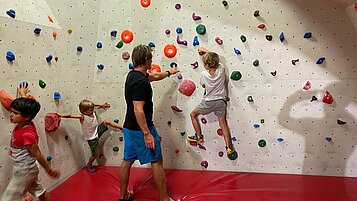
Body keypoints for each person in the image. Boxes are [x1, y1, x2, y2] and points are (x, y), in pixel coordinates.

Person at [119, 44, 178, 201]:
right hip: (141, 130)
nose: (152, 61)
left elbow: (154, 76)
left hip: (129, 127)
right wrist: (147, 134)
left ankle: (123, 197)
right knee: (156, 161)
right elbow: (138, 109)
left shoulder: (133, 75)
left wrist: (168, 73)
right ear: (145, 60)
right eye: (150, 58)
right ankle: (164, 198)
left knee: (127, 161)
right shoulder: (140, 82)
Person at [2, 85, 60, 201]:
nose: (11, 115)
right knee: (40, 191)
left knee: (7, 199)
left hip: (24, 170)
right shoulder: (27, 121)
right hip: (29, 168)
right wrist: (23, 94)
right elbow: (26, 110)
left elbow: (37, 154)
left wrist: (49, 169)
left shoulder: (26, 135)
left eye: (15, 113)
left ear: (27, 117)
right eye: (11, 111)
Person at [186, 47, 237, 159]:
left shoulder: (204, 74)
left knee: (192, 115)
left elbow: (203, 85)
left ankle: (198, 136)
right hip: (220, 101)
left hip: (208, 102)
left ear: (207, 65)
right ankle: (229, 147)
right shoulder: (221, 69)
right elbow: (216, 59)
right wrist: (207, 51)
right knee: (223, 123)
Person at [57, 99, 122, 173]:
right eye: (91, 110)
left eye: (93, 108)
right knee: (95, 154)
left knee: (106, 121)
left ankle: (122, 128)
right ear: (84, 111)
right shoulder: (82, 117)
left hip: (97, 131)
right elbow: (71, 115)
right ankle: (89, 165)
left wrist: (102, 105)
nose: (93, 110)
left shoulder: (92, 111)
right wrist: (61, 115)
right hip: (92, 139)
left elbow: (93, 105)